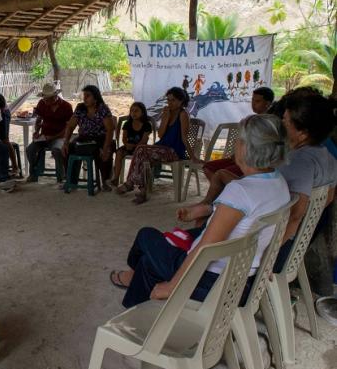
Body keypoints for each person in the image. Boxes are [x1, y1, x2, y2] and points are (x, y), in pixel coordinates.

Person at [110, 114, 289, 308]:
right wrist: (206, 209)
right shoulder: (279, 183)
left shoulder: (240, 191)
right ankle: (136, 308)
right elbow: (248, 214)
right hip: (243, 276)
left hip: (211, 281)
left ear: (246, 148)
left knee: (146, 236)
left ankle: (134, 302)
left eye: (238, 140)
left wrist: (172, 286)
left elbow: (205, 247)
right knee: (150, 261)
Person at [272, 88, 336, 273]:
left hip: (280, 248)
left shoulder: (300, 162)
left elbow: (295, 215)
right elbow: (328, 198)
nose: (281, 124)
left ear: (303, 133)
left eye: (285, 121)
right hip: (299, 244)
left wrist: (270, 251)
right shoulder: (327, 156)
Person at [117, 87, 196, 204]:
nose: (170, 103)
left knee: (141, 149)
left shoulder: (183, 114)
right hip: (162, 147)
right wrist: (165, 118)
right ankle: (142, 191)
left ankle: (131, 184)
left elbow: (184, 138)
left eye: (173, 100)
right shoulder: (167, 112)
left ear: (181, 101)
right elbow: (160, 134)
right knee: (142, 153)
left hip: (174, 151)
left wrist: (193, 157)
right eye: (168, 100)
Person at [202, 87, 275, 181]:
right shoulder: (251, 119)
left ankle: (225, 190)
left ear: (267, 104)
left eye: (257, 101)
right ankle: (222, 190)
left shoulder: (270, 123)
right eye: (252, 100)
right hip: (240, 158)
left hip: (254, 162)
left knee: (222, 173)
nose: (253, 104)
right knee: (208, 167)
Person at [61, 85, 114, 190]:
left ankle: (105, 181)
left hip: (100, 138)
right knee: (68, 149)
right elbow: (71, 126)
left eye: (88, 96)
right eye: (84, 96)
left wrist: (106, 147)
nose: (84, 98)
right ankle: (71, 180)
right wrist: (66, 142)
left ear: (95, 97)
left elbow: (109, 130)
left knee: (103, 151)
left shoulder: (102, 108)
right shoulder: (80, 108)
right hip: (84, 138)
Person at [25, 83, 73, 183]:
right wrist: (37, 132)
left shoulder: (66, 106)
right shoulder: (42, 103)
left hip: (60, 136)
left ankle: (61, 178)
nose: (45, 101)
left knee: (57, 150)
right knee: (30, 149)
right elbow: (39, 119)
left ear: (55, 96)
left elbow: (69, 127)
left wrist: (53, 137)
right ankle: (33, 174)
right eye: (44, 98)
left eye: (48, 99)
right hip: (45, 136)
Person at [109, 101, 152, 187]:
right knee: (119, 153)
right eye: (132, 111)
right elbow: (124, 138)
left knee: (141, 156)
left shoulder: (147, 125)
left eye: (136, 111)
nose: (133, 113)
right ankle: (116, 178)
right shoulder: (127, 124)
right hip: (128, 146)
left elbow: (144, 140)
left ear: (142, 113)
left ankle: (134, 180)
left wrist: (135, 146)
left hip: (141, 148)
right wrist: (126, 144)